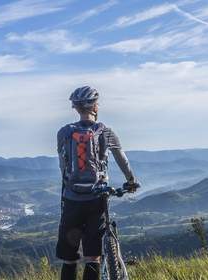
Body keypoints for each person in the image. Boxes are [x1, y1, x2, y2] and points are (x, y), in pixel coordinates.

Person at [55, 86, 140, 280]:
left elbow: (63, 165)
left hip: (71, 199)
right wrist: (131, 181)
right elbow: (122, 160)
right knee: (93, 256)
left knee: (69, 258)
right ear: (94, 106)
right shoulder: (106, 132)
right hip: (97, 199)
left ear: (76, 108)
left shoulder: (63, 133)